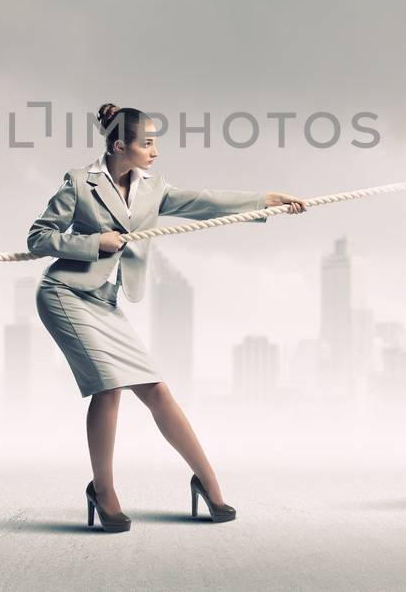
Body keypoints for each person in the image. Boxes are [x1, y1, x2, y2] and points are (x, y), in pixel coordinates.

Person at [27, 104, 306, 531]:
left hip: (107, 303)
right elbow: (38, 237)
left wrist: (266, 201)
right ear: (121, 145)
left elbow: (204, 202)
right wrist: (93, 241)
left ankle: (209, 484)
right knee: (110, 388)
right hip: (66, 293)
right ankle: (103, 492)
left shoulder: (153, 188)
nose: (156, 151)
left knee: (157, 391)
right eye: (148, 142)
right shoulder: (80, 182)